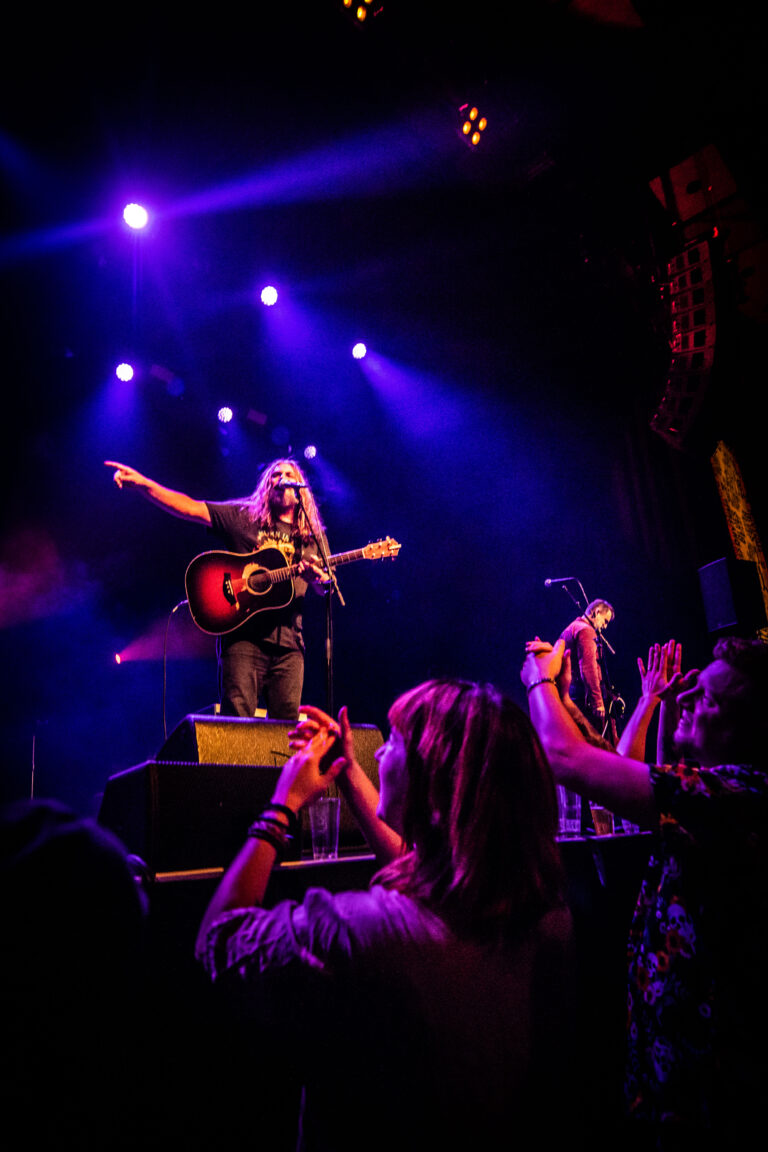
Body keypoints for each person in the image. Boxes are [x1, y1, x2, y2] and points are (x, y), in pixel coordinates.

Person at [195, 680, 580, 1151]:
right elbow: (427, 870)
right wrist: (348, 773)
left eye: (394, 743)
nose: (379, 753)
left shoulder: (359, 931)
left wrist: (282, 807)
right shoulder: (547, 915)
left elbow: (219, 942)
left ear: (435, 786)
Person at [521, 633, 768, 1150]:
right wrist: (656, 702)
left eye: (707, 697)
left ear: (747, 728)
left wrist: (540, 682)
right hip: (675, 1070)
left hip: (711, 1086)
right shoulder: (715, 792)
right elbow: (637, 771)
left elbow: (566, 758)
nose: (689, 694)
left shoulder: (737, 796)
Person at [105, 457, 329, 720]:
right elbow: (189, 507)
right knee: (237, 721)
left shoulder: (312, 537)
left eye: (288, 475)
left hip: (290, 646)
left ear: (300, 487)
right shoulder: (244, 517)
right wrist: (144, 484)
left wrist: (318, 580)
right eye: (275, 475)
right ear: (267, 485)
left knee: (287, 729)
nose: (281, 478)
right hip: (243, 641)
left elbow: (325, 586)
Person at [559, 598, 615, 727]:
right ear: (597, 612)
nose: (605, 626)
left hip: (571, 693)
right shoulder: (586, 631)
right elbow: (588, 668)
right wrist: (597, 702)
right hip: (583, 697)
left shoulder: (573, 627)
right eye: (605, 621)